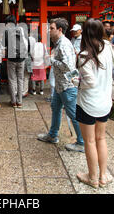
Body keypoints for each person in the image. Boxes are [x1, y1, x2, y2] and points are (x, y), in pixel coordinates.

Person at [74, 18, 114, 188]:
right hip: (105, 101)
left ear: (84, 32)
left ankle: (92, 177)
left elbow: (90, 82)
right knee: (101, 138)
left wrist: (77, 81)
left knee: (90, 141)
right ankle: (103, 176)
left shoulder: (84, 55)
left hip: (88, 103)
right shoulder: (109, 48)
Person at [37, 18, 84, 153]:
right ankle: (52, 135)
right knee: (55, 108)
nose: (49, 30)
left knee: (72, 113)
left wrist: (51, 61)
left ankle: (82, 142)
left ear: (60, 30)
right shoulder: (58, 43)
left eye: (51, 28)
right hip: (60, 85)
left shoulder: (63, 44)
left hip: (67, 85)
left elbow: (68, 67)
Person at [4, 15, 30, 108]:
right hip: (21, 58)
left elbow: (4, 45)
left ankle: (13, 101)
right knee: (20, 79)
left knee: (12, 79)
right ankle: (20, 102)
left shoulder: (7, 32)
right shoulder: (22, 30)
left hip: (11, 59)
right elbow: (28, 43)